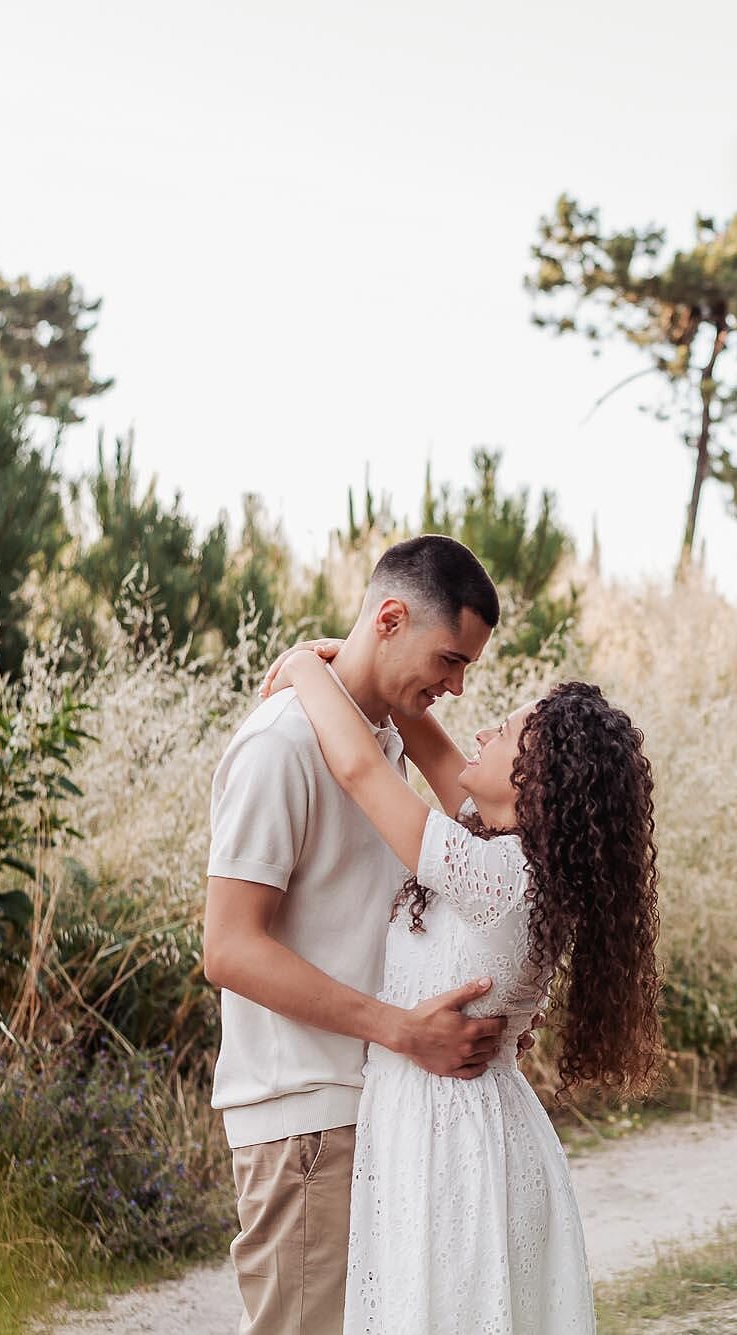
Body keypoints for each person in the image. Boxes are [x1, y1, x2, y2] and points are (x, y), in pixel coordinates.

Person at [258, 645, 663, 1334]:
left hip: (450, 1136)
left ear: (538, 784)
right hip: (455, 1121)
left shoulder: (497, 878)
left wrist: (302, 666)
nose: (479, 732)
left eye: (502, 733)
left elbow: (361, 769)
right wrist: (366, 659)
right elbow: (434, 749)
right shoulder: (513, 858)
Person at [202, 535, 520, 1335]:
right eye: (450, 659)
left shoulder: (380, 743)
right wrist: (401, 1029)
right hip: (307, 1118)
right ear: (389, 619)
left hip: (372, 1104)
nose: (456, 686)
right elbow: (229, 948)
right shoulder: (282, 743)